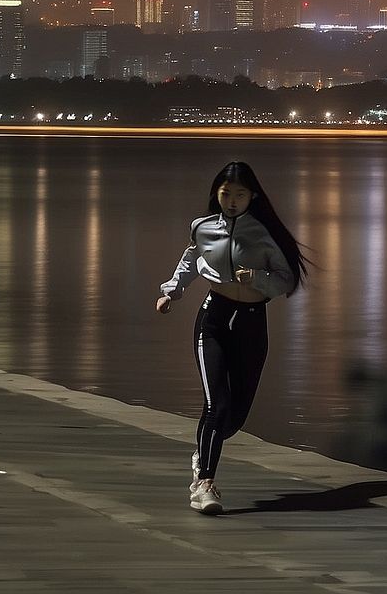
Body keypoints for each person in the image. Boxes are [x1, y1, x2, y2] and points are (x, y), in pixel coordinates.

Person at [156, 161, 310, 515]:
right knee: (216, 405)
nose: (232, 201)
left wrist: (256, 278)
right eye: (226, 194)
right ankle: (204, 484)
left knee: (235, 417)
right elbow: (191, 259)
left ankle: (203, 451)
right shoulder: (203, 227)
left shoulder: (264, 232)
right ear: (217, 194)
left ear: (252, 196)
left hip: (253, 325)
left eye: (240, 194)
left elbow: (286, 280)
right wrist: (172, 291)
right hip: (214, 319)